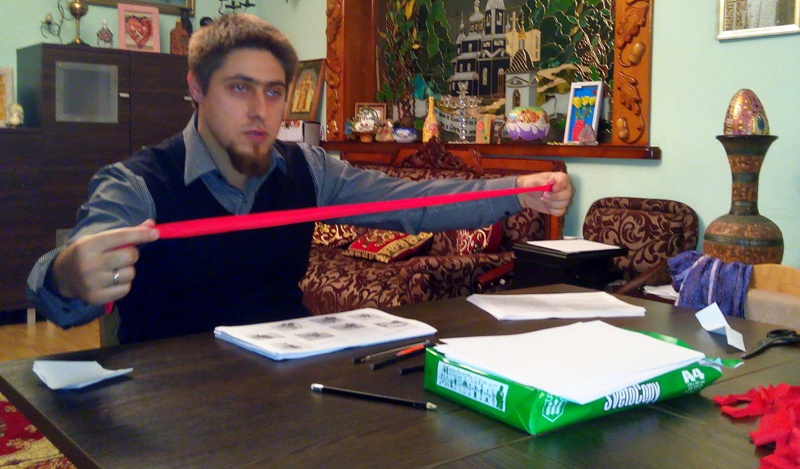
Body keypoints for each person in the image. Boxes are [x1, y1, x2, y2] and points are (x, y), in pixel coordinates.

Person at [26, 14, 572, 344]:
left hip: (287, 378)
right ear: (196, 88)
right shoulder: (134, 183)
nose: (261, 110)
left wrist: (516, 191)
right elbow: (64, 284)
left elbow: (417, 202)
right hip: (170, 399)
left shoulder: (308, 168)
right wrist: (70, 274)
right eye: (239, 88)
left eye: (274, 91)